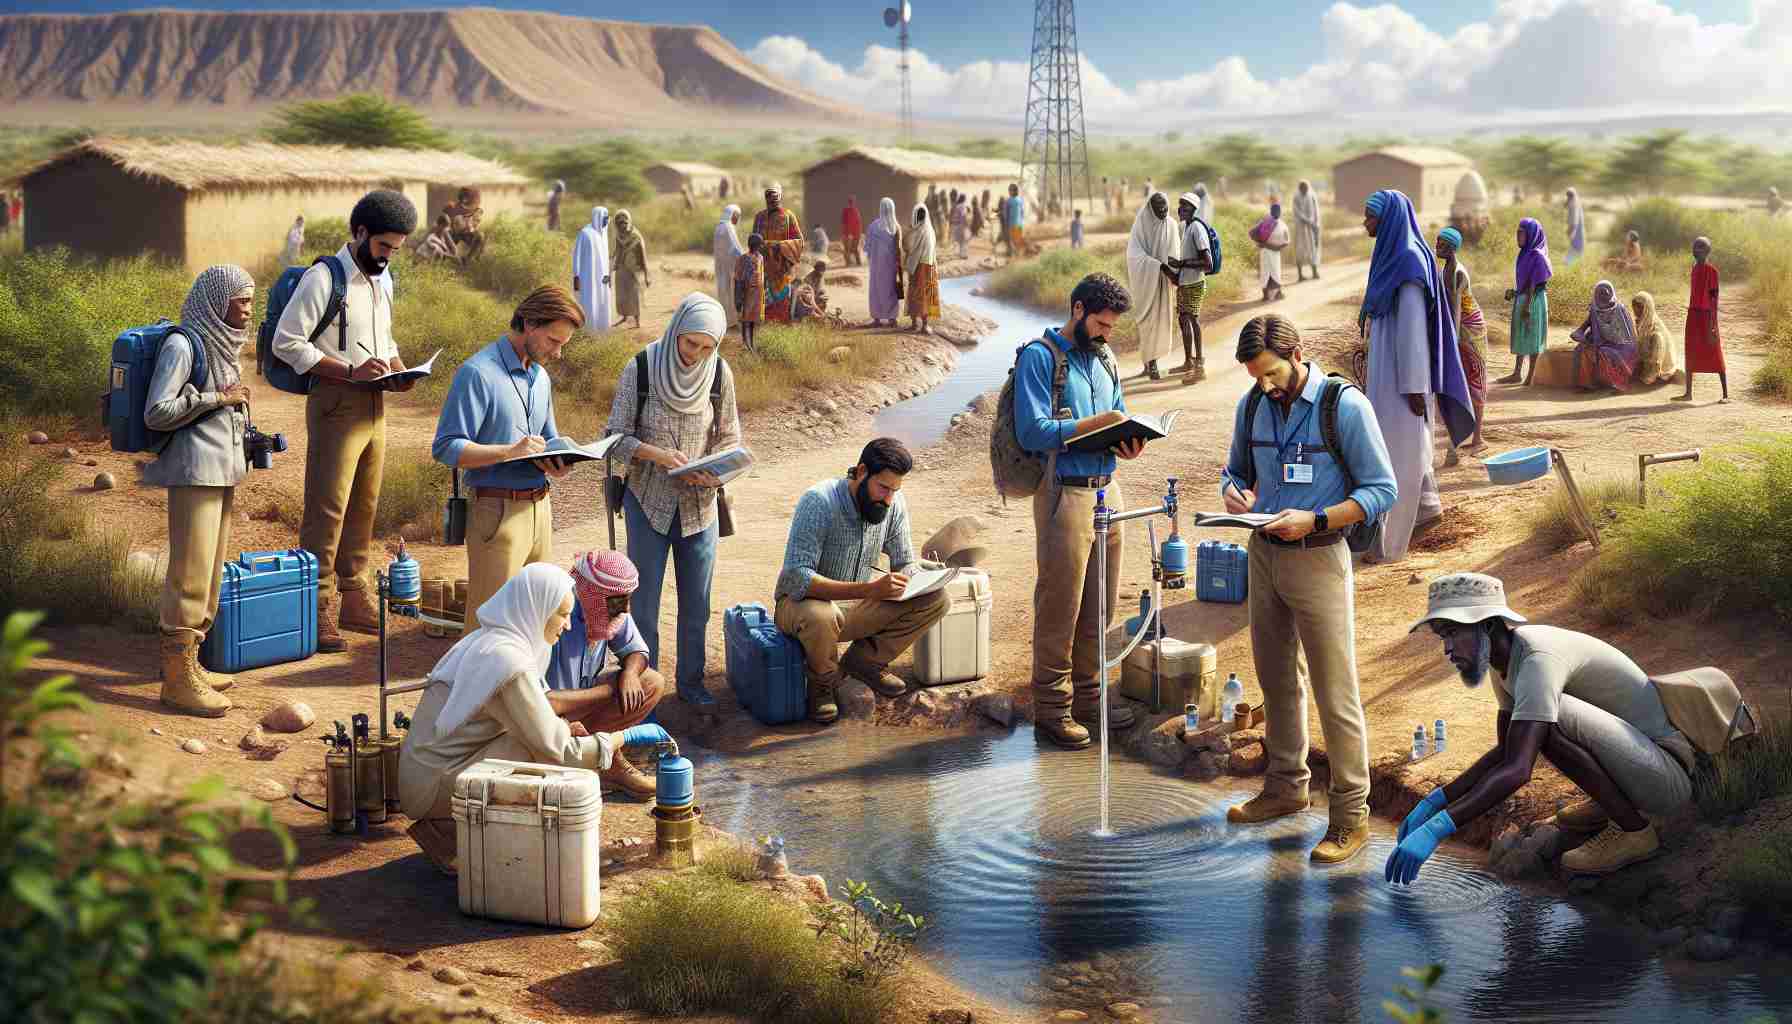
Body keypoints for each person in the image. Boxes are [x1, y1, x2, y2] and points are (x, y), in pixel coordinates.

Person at [1390, 572, 1714, 883]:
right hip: (1638, 766)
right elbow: (1507, 749)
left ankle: (1634, 831)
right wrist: (1434, 801)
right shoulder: (1503, 661)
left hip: (1665, 779)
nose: (1447, 648)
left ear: (1487, 626)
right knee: (1533, 724)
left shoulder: (1537, 660)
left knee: (1546, 720)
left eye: (1453, 632)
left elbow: (1518, 770)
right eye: (1442, 636)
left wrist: (1437, 828)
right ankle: (1610, 804)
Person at [1220, 314, 1398, 863]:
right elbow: (1233, 471)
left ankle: (1350, 817)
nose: (1266, 386)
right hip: (1263, 556)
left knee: (1334, 692)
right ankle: (1284, 789)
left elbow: (1382, 490)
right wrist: (1233, 493)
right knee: (1276, 682)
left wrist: (1317, 520)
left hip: (1319, 556)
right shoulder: (1251, 404)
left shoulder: (1344, 406)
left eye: (1272, 373)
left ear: (1298, 353)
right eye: (1256, 377)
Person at [397, 564, 673, 875]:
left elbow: (531, 721)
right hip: (429, 786)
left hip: (432, 772)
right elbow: (559, 751)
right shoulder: (506, 660)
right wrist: (621, 739)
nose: (568, 625)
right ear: (537, 607)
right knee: (542, 757)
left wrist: (564, 730)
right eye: (562, 614)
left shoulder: (496, 641)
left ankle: (457, 831)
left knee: (542, 741)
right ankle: (450, 833)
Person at [271, 189, 417, 653]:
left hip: (376, 403)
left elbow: (384, 335)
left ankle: (354, 597)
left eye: (395, 249)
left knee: (365, 505)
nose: (388, 257)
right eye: (382, 247)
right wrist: (349, 371)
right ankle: (315, 609)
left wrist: (397, 367)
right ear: (359, 233)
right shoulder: (322, 278)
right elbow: (287, 342)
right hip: (336, 400)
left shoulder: (383, 277)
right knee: (327, 508)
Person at [1015, 273, 1145, 749]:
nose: (1108, 333)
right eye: (1101, 323)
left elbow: (1119, 412)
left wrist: (1128, 440)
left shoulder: (1105, 356)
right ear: (1076, 310)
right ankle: (1052, 709)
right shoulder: (1039, 357)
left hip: (1110, 489)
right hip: (1063, 494)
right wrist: (1095, 424)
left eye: (1112, 326)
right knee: (1060, 605)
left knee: (1101, 603)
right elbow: (1032, 431)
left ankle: (1091, 699)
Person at [606, 294, 739, 707]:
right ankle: (647, 690)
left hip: (700, 507)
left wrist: (714, 469)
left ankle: (692, 684)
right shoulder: (642, 368)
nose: (695, 355)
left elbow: (731, 434)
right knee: (643, 606)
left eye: (707, 347)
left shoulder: (719, 374)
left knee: (697, 605)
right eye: (689, 343)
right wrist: (657, 455)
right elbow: (614, 438)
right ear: (676, 330)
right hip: (647, 502)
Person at [144, 265, 256, 717]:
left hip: (221, 470)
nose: (248, 309)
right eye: (241, 300)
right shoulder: (182, 343)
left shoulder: (221, 341)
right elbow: (157, 411)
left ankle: (192, 664)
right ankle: (176, 682)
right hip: (193, 472)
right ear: (215, 300)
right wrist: (216, 400)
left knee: (209, 575)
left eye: (251, 299)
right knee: (189, 574)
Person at [775, 438, 950, 723]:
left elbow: (904, 561)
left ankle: (864, 663)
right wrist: (870, 589)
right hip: (801, 610)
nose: (889, 499)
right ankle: (823, 684)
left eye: (895, 490)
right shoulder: (818, 501)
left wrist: (924, 573)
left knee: (937, 599)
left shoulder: (893, 503)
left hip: (855, 608)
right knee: (821, 614)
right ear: (860, 472)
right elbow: (796, 578)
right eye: (883, 488)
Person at [433, 285, 582, 620]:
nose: (557, 353)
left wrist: (560, 462)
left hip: (542, 510)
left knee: (538, 619)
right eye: (553, 341)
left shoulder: (541, 377)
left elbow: (549, 439)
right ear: (530, 324)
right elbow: (445, 447)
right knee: (491, 623)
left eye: (563, 344)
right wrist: (508, 452)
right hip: (496, 511)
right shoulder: (477, 373)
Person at [1358, 189, 1476, 563]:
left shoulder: (1407, 263)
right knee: (1402, 453)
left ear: (1388, 219)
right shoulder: (1391, 257)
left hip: (1402, 382)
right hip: (1387, 374)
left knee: (1397, 457)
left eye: (1370, 216)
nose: (1365, 223)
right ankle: (1426, 513)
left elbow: (1411, 330)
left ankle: (1389, 545)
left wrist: (1412, 388)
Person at [544, 550, 666, 800]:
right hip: (545, 716)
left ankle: (604, 760)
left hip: (579, 708)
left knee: (650, 682)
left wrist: (630, 674)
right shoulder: (558, 615)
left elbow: (638, 651)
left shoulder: (612, 607)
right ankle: (595, 759)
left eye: (627, 599)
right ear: (594, 596)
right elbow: (543, 702)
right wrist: (610, 690)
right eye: (619, 601)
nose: (625, 608)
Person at [1434, 227, 1488, 464]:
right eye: (1437, 242)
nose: (1437, 247)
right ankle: (1460, 439)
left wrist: (1453, 342)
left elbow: (1456, 311)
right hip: (1458, 329)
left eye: (1442, 244)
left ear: (1453, 248)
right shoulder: (1444, 268)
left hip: (1470, 330)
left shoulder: (1456, 272)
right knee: (1462, 382)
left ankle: (1478, 438)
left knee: (1475, 381)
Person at [1123, 192, 1179, 382]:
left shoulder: (1171, 224)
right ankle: (1149, 364)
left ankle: (1153, 363)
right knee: (1147, 321)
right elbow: (1133, 255)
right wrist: (1159, 266)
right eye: (1159, 208)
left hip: (1163, 282)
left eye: (1165, 207)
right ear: (1151, 208)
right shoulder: (1141, 224)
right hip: (1145, 282)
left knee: (1161, 321)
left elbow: (1175, 253)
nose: (1163, 211)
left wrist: (1172, 272)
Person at [1675, 236, 1728, 403]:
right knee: (1690, 351)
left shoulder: (1712, 272)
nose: (1696, 249)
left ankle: (1726, 395)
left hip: (1707, 316)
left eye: (1700, 247)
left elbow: (1714, 299)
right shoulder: (1694, 268)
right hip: (1693, 315)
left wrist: (1713, 325)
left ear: (1707, 251)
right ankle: (1688, 393)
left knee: (1715, 351)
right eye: (1695, 246)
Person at [1500, 217, 1552, 386]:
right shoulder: (1524, 254)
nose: (1518, 236)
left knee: (1532, 335)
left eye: (1521, 233)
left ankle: (1530, 375)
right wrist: (1514, 293)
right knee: (1520, 335)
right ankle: (1516, 373)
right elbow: (1523, 283)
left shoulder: (1537, 256)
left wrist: (1528, 306)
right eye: (1517, 233)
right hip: (1523, 298)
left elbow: (1534, 284)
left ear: (1531, 234)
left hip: (1534, 300)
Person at [1169, 192, 1213, 382]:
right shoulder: (1184, 227)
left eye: (1185, 206)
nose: (1181, 209)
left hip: (1195, 283)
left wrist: (1182, 264)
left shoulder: (1196, 228)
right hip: (1185, 282)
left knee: (1192, 320)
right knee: (1183, 319)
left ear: (1193, 210)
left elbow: (1208, 263)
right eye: (1180, 205)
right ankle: (1188, 361)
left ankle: (1199, 364)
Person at [1569, 281, 1639, 393]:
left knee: (1604, 352)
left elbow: (1628, 338)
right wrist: (1581, 337)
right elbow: (1579, 331)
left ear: (1611, 293)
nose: (1604, 296)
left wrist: (1599, 343)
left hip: (1622, 346)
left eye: (1606, 293)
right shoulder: (1594, 310)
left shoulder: (1620, 310)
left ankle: (1620, 384)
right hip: (1601, 343)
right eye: (1600, 293)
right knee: (1583, 350)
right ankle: (1588, 385)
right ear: (1596, 295)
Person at [752, 184, 806, 322]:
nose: (773, 201)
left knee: (782, 296)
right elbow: (753, 239)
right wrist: (760, 247)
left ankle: (782, 323)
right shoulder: (759, 217)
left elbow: (799, 241)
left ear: (780, 197)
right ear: (766, 199)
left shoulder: (789, 216)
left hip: (783, 266)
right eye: (770, 198)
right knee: (764, 296)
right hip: (764, 265)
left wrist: (778, 246)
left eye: (775, 198)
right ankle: (767, 324)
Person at [605, 209, 648, 330]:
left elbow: (643, 257)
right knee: (621, 295)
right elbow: (617, 252)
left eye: (624, 222)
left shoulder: (636, 236)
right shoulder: (619, 236)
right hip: (621, 269)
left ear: (628, 222)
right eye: (619, 223)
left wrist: (646, 275)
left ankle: (637, 320)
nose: (622, 225)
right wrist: (611, 267)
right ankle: (624, 317)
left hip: (632, 270)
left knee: (633, 295)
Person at [572, 207, 614, 333]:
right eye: (605, 219)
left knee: (602, 303)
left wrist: (608, 275)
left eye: (607, 219)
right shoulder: (585, 233)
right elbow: (576, 256)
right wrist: (576, 277)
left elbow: (604, 258)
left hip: (602, 280)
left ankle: (602, 330)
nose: (607, 222)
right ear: (598, 217)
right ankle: (588, 332)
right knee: (589, 303)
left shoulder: (603, 234)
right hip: (588, 279)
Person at [866, 198, 903, 328]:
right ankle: (892, 318)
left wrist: (872, 258)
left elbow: (868, 247)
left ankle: (877, 318)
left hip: (876, 265)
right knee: (891, 290)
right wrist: (899, 265)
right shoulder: (896, 226)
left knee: (876, 290)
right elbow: (898, 248)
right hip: (891, 266)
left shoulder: (873, 226)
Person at [903, 204, 940, 335]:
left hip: (917, 267)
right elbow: (933, 250)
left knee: (915, 293)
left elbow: (907, 247)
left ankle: (914, 323)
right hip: (929, 266)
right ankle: (925, 325)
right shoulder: (930, 230)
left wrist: (908, 231)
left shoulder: (914, 231)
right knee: (926, 295)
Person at [1630, 290, 1678, 386]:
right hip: (1645, 361)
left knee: (1656, 338)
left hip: (1657, 365)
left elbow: (1657, 358)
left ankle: (1651, 377)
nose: (1635, 310)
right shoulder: (1639, 323)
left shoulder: (1656, 329)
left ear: (1647, 308)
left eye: (1639, 307)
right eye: (1634, 307)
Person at [712, 205, 746, 331]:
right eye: (736, 217)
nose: (737, 220)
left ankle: (725, 321)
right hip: (729, 267)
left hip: (720, 265)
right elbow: (734, 247)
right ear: (732, 215)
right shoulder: (728, 227)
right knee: (732, 292)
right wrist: (745, 257)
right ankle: (731, 322)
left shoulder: (719, 227)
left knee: (723, 292)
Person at [1254, 203, 1291, 302]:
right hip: (1270, 252)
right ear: (1271, 212)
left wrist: (1265, 245)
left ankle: (1274, 293)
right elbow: (1287, 241)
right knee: (1271, 272)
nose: (1277, 213)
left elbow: (1254, 234)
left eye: (1278, 211)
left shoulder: (1267, 222)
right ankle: (1270, 294)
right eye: (1276, 211)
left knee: (1270, 272)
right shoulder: (1276, 223)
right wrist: (1275, 247)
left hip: (1270, 251)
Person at [734, 234, 765, 352]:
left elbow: (761, 274)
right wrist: (738, 297)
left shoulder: (760, 257)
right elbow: (738, 277)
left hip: (757, 293)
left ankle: (751, 343)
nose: (759, 247)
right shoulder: (743, 258)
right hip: (747, 292)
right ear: (753, 245)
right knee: (745, 318)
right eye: (758, 245)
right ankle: (745, 342)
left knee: (753, 318)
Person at [444, 187, 485, 263]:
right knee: (446, 237)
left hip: (467, 233)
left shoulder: (476, 210)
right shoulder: (452, 207)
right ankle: (444, 257)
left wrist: (470, 227)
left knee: (480, 236)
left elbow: (475, 224)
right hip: (454, 233)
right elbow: (445, 220)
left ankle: (468, 259)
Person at [1292, 180, 1322, 281]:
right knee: (1300, 250)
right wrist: (1307, 221)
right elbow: (1297, 212)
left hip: (1311, 227)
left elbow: (1316, 211)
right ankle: (1300, 275)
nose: (1304, 191)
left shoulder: (1312, 195)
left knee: (1313, 249)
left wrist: (1316, 225)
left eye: (1306, 189)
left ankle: (1315, 272)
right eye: (1302, 189)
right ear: (1300, 189)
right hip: (1300, 227)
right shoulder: (1296, 197)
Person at [1004, 184, 1027, 261]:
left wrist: (1006, 223)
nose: (1009, 192)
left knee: (1012, 241)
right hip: (1019, 224)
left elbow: (1005, 214)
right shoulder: (1020, 200)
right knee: (1017, 242)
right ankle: (1018, 258)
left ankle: (1014, 258)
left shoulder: (1008, 201)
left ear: (1013, 191)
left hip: (1011, 224)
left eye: (1010, 190)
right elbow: (1023, 213)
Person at [1564, 187, 1585, 266]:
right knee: (1575, 253)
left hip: (1575, 233)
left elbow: (1574, 222)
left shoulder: (1573, 205)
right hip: (1576, 232)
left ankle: (1571, 268)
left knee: (1574, 253)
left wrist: (1569, 232)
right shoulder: (1574, 202)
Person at [841, 196, 864, 267]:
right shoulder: (855, 211)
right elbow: (858, 223)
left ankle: (849, 263)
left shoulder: (848, 211)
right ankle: (857, 263)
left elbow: (845, 222)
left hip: (850, 234)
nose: (851, 203)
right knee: (853, 249)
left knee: (848, 250)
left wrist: (848, 234)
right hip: (855, 234)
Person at [950, 191, 971, 260]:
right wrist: (965, 225)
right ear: (964, 199)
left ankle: (960, 253)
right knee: (963, 241)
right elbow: (963, 216)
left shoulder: (957, 206)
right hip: (960, 225)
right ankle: (963, 255)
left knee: (960, 241)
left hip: (955, 225)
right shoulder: (962, 206)